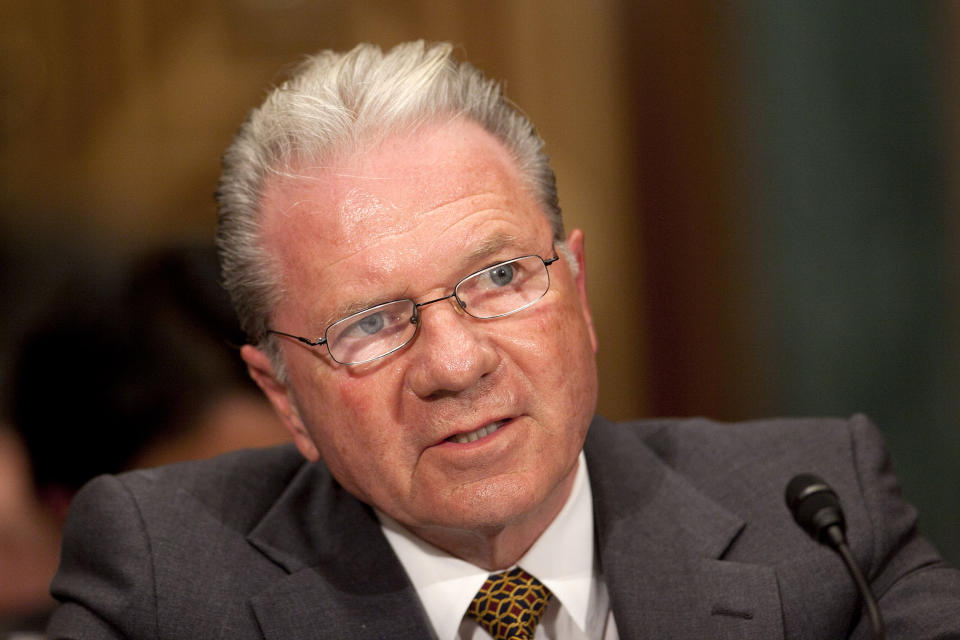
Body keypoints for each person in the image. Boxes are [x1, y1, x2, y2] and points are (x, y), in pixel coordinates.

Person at [47, 41, 960, 640]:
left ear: (579, 292)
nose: (454, 362)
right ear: (284, 394)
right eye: (370, 324)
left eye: (497, 279)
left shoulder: (822, 523)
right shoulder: (163, 584)